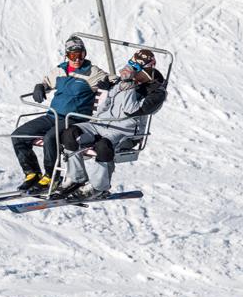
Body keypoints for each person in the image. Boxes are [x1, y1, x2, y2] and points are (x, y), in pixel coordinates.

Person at [55, 48, 167, 200]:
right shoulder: (125, 81)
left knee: (103, 146)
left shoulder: (156, 92)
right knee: (70, 134)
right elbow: (109, 102)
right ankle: (76, 177)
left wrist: (129, 83)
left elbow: (130, 110)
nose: (132, 71)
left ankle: (98, 187)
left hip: (125, 131)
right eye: (131, 65)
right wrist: (97, 118)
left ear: (148, 68)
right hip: (102, 124)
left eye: (136, 68)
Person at [11, 35, 109, 192]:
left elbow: (116, 81)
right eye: (73, 55)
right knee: (18, 135)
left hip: (74, 119)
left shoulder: (92, 72)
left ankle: (51, 177)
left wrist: (108, 83)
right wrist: (40, 86)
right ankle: (32, 173)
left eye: (81, 54)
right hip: (53, 116)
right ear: (67, 55)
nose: (77, 59)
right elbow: (47, 82)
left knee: (51, 137)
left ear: (85, 54)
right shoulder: (60, 70)